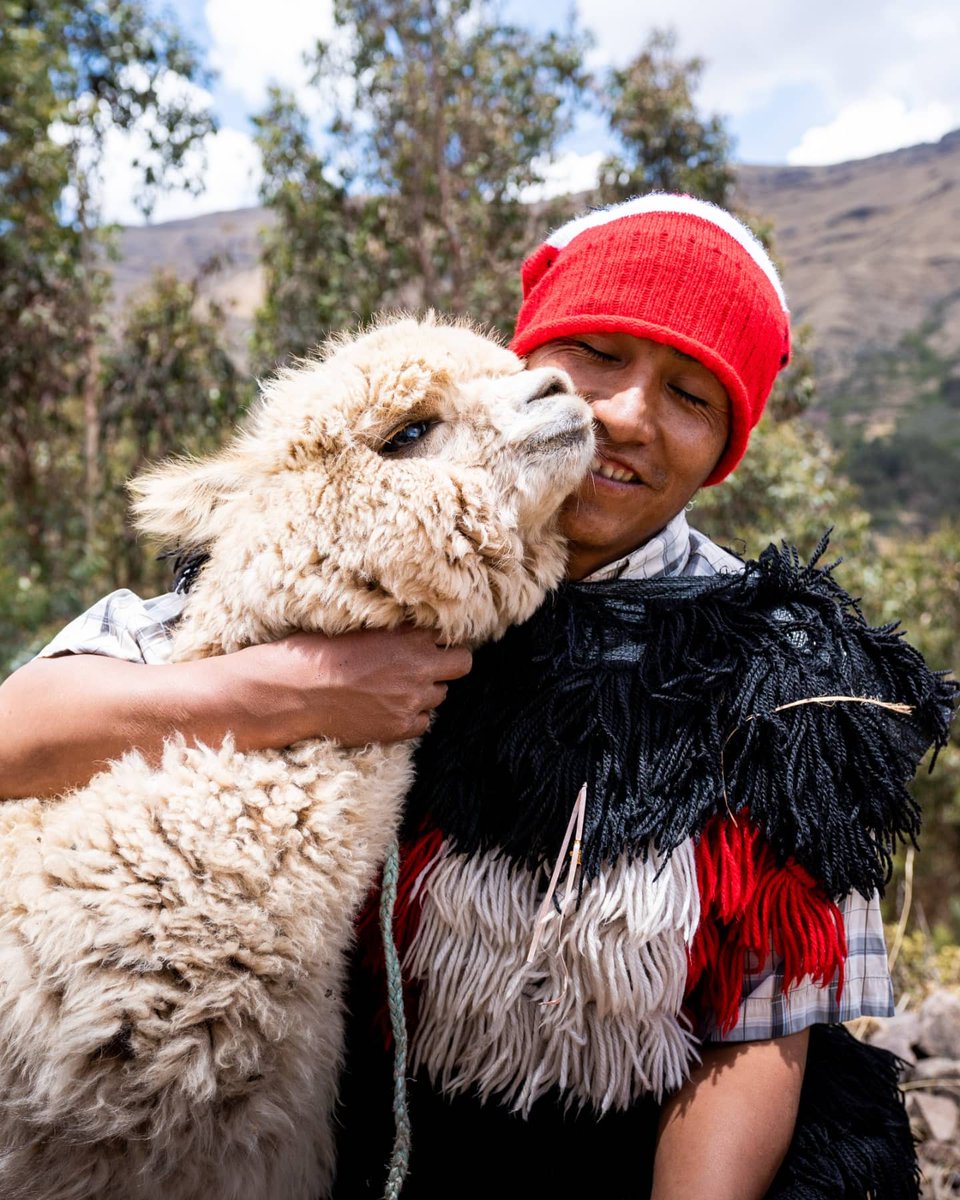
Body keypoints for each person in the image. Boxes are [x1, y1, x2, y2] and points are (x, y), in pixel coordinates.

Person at [0, 194, 952, 1199]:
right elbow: (21, 735)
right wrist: (275, 691)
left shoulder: (778, 672)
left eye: (690, 393)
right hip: (378, 1140)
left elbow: (763, 1028)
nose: (626, 414)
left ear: (726, 444)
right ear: (527, 360)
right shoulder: (353, 562)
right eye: (597, 352)